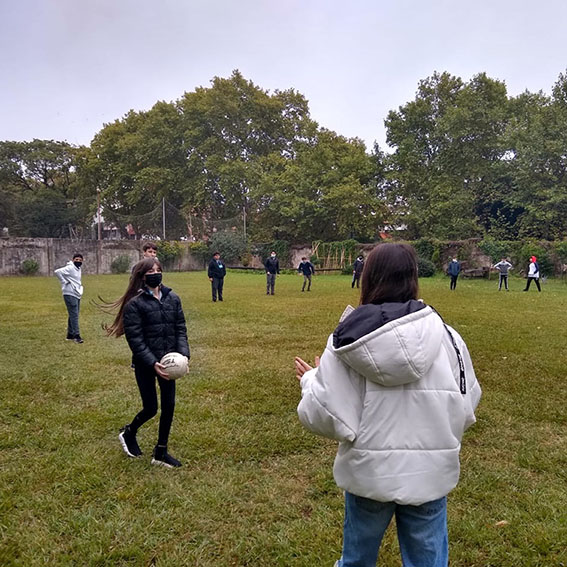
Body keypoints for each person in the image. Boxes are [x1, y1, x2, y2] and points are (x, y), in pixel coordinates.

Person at [294, 243, 481, 567]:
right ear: (412, 278)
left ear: (369, 279)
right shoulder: (448, 337)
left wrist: (310, 380)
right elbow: (466, 404)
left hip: (370, 476)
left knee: (356, 561)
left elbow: (323, 413)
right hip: (429, 476)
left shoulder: (345, 342)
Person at [103, 258, 190, 468]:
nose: (155, 273)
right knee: (151, 407)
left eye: (158, 270)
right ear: (142, 277)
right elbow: (136, 339)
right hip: (146, 364)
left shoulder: (173, 299)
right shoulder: (135, 304)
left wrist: (184, 355)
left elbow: (181, 328)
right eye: (150, 271)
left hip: (169, 363)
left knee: (169, 406)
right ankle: (129, 432)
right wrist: (152, 363)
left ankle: (161, 452)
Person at [54, 253, 85, 343]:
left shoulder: (78, 269)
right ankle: (76, 336)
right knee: (74, 314)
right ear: (73, 260)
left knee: (74, 314)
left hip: (76, 292)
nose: (78, 262)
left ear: (82, 261)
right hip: (69, 293)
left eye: (80, 260)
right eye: (76, 260)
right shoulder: (70, 268)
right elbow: (57, 272)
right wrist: (64, 282)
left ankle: (70, 334)